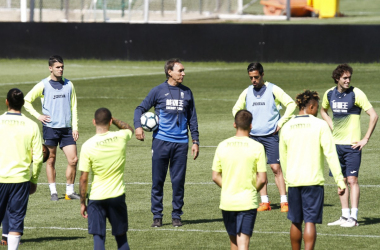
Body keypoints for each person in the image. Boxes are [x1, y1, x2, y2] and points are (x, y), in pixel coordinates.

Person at [133, 58, 199, 227]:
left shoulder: (188, 92)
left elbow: (192, 118)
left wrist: (195, 140)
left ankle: (176, 215)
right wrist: (138, 127)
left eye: (183, 71)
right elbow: (139, 109)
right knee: (158, 181)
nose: (183, 73)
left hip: (181, 143)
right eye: (180, 70)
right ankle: (157, 216)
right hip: (161, 142)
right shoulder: (158, 91)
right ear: (170, 72)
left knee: (178, 182)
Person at [280, 90, 346, 250]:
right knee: (310, 221)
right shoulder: (320, 125)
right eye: (316, 107)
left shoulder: (287, 126)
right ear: (310, 106)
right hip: (313, 182)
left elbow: (283, 158)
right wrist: (339, 180)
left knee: (295, 221)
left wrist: (288, 182)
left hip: (294, 181)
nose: (318, 111)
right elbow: (330, 154)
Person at [232, 62, 296, 212]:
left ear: (262, 75)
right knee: (258, 170)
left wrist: (281, 122)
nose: (253, 80)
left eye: (256, 77)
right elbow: (236, 109)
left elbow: (291, 104)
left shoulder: (273, 89)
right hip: (253, 137)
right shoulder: (247, 92)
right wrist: (242, 125)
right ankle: (265, 202)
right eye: (251, 78)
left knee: (275, 168)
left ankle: (284, 201)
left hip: (270, 136)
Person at [320, 64, 378, 227]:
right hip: (335, 146)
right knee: (341, 181)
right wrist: (331, 125)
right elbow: (323, 110)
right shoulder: (329, 93)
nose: (348, 80)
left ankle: (354, 217)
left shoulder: (356, 93)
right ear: (337, 78)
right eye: (345, 78)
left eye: (349, 77)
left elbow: (373, 115)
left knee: (352, 180)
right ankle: (344, 216)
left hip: (352, 147)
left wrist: (365, 138)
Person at [24, 55, 80, 201]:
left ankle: (70, 192)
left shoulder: (69, 85)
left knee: (73, 159)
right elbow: (26, 101)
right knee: (51, 160)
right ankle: (53, 192)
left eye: (62, 67)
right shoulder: (43, 84)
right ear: (50, 68)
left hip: (67, 129)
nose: (60, 69)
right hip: (51, 128)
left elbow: (74, 106)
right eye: (57, 67)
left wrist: (75, 127)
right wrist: (38, 116)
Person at [79, 108, 134, 250]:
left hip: (96, 198)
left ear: (93, 122)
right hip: (117, 195)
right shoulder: (121, 137)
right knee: (121, 238)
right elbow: (129, 129)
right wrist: (114, 120)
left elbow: (83, 178)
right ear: (110, 121)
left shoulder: (87, 146)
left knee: (98, 238)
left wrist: (82, 202)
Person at [212, 110, 267, 250]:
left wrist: (229, 187)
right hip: (247, 202)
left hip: (227, 201)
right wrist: (252, 189)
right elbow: (262, 179)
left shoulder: (222, 145)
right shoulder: (257, 147)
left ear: (234, 124)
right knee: (243, 243)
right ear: (251, 126)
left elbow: (215, 176)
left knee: (234, 243)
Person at [0, 88, 43, 250]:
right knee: (16, 222)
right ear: (23, 104)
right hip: (21, 180)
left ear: (6, 102)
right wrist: (34, 179)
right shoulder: (32, 126)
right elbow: (38, 158)